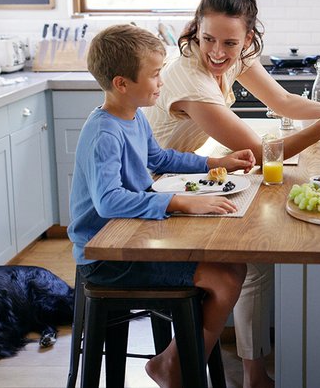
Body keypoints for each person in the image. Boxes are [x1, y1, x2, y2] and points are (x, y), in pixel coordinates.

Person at [143, 0, 320, 388]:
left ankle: (242, 371)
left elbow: (283, 101)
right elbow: (261, 152)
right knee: (253, 259)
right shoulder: (187, 78)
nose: (218, 52)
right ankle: (201, 367)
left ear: (247, 38)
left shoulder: (235, 57)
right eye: (208, 39)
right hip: (155, 191)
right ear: (196, 29)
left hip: (184, 178)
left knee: (256, 259)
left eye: (230, 43)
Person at [68, 24, 256, 388]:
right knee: (224, 279)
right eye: (154, 75)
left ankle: (176, 362)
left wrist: (217, 163)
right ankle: (176, 368)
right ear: (122, 83)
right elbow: (108, 201)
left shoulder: (133, 115)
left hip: (131, 239)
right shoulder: (104, 132)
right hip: (106, 258)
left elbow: (159, 157)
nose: (161, 82)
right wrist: (179, 202)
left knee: (235, 265)